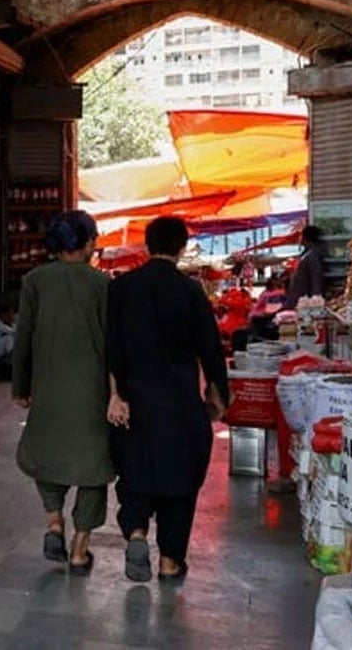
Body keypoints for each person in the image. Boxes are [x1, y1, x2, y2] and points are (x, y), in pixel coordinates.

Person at [107, 216, 229, 583]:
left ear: (147, 245)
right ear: (181, 247)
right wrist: (218, 394)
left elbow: (112, 347)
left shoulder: (122, 288)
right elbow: (211, 349)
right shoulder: (190, 291)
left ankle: (137, 533)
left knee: (135, 472)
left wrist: (115, 395)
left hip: (135, 401)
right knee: (180, 482)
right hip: (179, 403)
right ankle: (170, 562)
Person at [12, 210, 114, 575]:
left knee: (47, 454)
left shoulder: (35, 281)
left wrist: (21, 386)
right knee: (94, 467)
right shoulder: (102, 285)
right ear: (86, 243)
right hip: (92, 391)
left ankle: (54, 521)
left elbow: (22, 338)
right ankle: (79, 548)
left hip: (48, 387)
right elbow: (115, 345)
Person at [285, 225, 326, 309]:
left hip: (304, 302)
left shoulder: (312, 255)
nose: (299, 238)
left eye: (300, 235)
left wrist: (316, 299)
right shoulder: (307, 253)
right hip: (299, 300)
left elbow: (316, 277)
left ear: (305, 238)